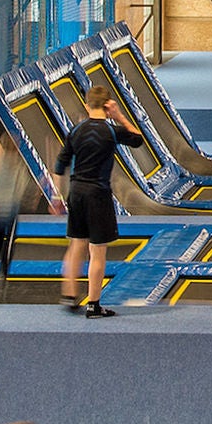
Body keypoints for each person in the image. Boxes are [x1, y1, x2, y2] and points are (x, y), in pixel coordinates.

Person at [52, 82, 143, 317]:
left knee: (76, 244)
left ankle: (70, 293)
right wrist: (119, 116)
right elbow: (138, 139)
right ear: (107, 106)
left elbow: (60, 166)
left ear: (86, 104)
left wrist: (57, 196)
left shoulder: (76, 131)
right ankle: (93, 304)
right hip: (98, 194)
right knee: (97, 250)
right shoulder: (111, 131)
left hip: (76, 192)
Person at [0, 131, 28, 301]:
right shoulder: (18, 166)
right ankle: (3, 272)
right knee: (7, 246)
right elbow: (20, 189)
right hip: (10, 211)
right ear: (16, 147)